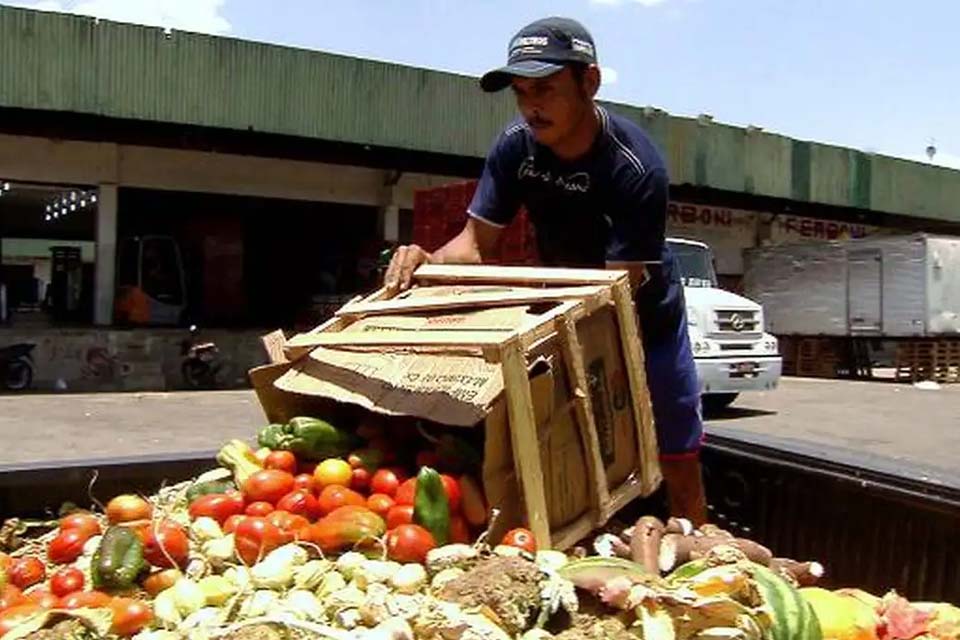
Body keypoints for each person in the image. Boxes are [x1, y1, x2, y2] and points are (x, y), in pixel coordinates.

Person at [385, 16, 707, 524]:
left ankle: (700, 539)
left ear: (589, 82)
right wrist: (428, 262)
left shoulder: (636, 166)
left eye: (545, 89)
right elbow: (474, 244)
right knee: (566, 450)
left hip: (644, 318)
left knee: (675, 449)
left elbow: (621, 285)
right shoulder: (516, 147)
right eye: (520, 92)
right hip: (563, 306)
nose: (530, 106)